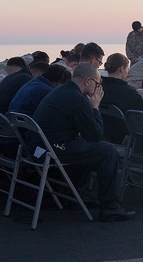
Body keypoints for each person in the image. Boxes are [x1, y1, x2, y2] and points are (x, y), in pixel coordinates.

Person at [32, 64, 135, 222]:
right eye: (98, 83)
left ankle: (76, 193)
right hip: (53, 150)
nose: (98, 87)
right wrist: (95, 108)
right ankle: (110, 207)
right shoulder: (77, 99)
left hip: (38, 147)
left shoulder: (62, 91)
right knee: (108, 151)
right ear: (88, 81)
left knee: (86, 146)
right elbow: (95, 135)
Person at [99, 53, 143, 144]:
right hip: (123, 137)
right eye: (127, 69)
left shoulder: (99, 89)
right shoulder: (129, 93)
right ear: (121, 69)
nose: (128, 72)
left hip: (102, 133)